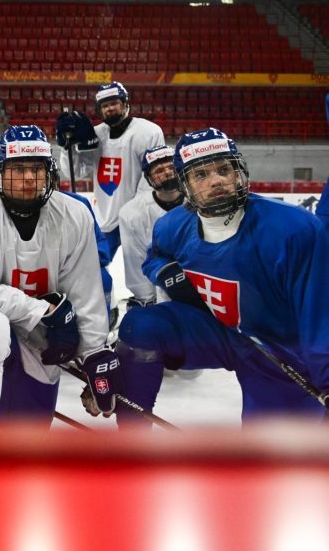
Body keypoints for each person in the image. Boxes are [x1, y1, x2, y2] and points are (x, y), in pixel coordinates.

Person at [115, 128, 329, 426]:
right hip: (216, 330)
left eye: (223, 169)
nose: (215, 180)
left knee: (271, 454)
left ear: (238, 172)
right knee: (141, 325)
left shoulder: (294, 230)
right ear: (185, 184)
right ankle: (130, 438)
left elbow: (319, 315)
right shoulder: (172, 225)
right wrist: (167, 274)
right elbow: (156, 256)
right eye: (200, 174)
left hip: (277, 346)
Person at [0, 124, 113, 427]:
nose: (28, 178)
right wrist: (42, 310)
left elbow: (84, 290)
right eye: (17, 169)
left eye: (37, 169)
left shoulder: (74, 215)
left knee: (28, 434)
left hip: (41, 338)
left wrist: (94, 355)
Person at [56, 82, 165, 262]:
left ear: (125, 104)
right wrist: (69, 146)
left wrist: (137, 211)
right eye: (105, 106)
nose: (110, 109)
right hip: (106, 218)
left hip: (141, 217)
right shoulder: (95, 134)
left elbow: (153, 177)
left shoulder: (148, 132)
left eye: (114, 103)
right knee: (96, 268)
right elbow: (74, 171)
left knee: (146, 266)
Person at [118, 145, 184, 306]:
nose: (167, 172)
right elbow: (135, 260)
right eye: (159, 170)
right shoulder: (132, 212)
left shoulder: (199, 200)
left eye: (171, 166)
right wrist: (147, 299)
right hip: (161, 283)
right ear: (148, 178)